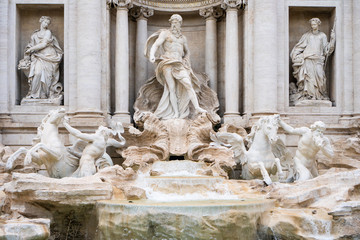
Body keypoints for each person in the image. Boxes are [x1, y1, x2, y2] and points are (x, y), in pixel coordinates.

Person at [144, 14, 206, 119]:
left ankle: (197, 107)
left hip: (179, 64)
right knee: (171, 88)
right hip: (167, 62)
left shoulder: (183, 38)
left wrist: (186, 60)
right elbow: (156, 44)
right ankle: (176, 113)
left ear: (180, 24)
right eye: (172, 22)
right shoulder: (165, 34)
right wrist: (151, 55)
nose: (174, 24)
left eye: (176, 22)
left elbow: (187, 52)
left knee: (188, 84)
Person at [290, 18, 335, 101]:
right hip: (308, 59)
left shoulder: (322, 36)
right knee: (309, 78)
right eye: (312, 25)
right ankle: (310, 96)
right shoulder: (307, 35)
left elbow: (327, 50)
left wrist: (332, 40)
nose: (313, 26)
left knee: (320, 77)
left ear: (318, 24)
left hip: (318, 60)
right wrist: (295, 54)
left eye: (314, 24)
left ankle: (320, 95)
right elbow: (300, 46)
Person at [18, 16, 63, 99]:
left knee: (47, 77)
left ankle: (44, 94)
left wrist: (32, 49)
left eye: (48, 23)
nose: (46, 24)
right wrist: (28, 52)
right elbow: (30, 45)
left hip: (49, 56)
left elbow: (44, 44)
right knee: (37, 73)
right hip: (38, 57)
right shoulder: (34, 35)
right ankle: (34, 94)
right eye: (45, 22)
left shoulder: (48, 32)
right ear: (41, 21)